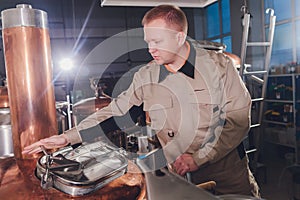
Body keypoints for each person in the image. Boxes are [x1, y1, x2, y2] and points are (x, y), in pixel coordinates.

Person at [23, 5, 260, 197]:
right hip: (177, 175)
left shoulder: (220, 68)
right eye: (148, 41)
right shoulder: (146, 75)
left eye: (157, 41)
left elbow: (238, 121)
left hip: (225, 173)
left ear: (179, 37)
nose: (150, 49)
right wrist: (68, 136)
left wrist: (199, 158)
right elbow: (115, 110)